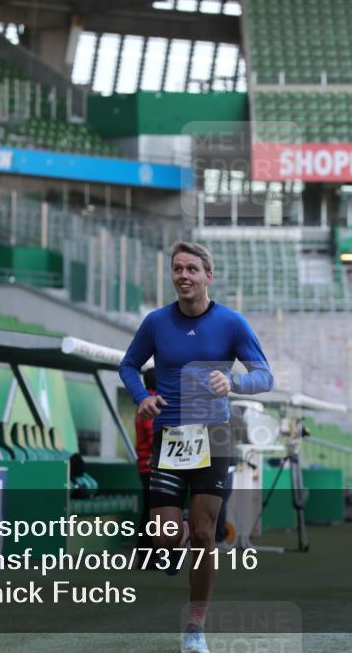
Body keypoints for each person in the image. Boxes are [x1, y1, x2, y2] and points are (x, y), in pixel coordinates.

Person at [119, 241, 274, 653]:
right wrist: (141, 397)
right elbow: (128, 365)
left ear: (209, 275)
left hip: (215, 434)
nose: (183, 276)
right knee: (165, 537)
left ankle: (195, 628)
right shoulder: (156, 322)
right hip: (171, 437)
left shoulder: (232, 323)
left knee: (206, 535)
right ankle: (181, 530)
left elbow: (265, 375)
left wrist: (235, 382)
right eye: (177, 269)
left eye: (191, 269)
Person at [135, 369, 156, 555]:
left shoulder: (145, 401)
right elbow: (152, 434)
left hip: (145, 464)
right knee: (153, 511)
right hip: (151, 465)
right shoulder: (151, 403)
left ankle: (146, 554)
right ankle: (147, 555)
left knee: (150, 510)